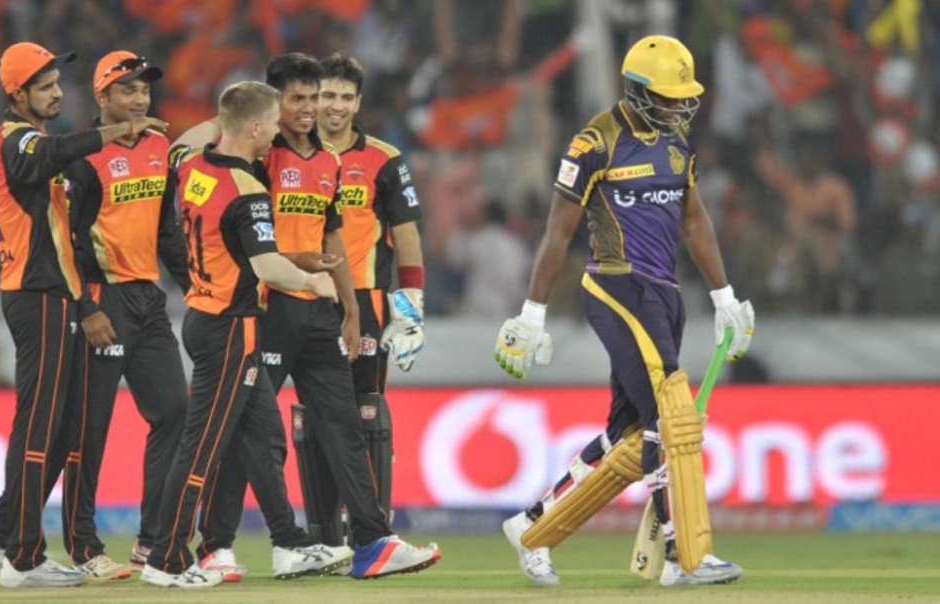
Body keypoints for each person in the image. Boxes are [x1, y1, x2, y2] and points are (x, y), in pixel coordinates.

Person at [493, 35, 755, 588]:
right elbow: (558, 230)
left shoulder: (678, 145)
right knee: (671, 413)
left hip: (663, 293)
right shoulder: (596, 142)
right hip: (615, 287)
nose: (680, 106)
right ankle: (686, 553)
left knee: (630, 435)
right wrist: (532, 314)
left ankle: (533, 527)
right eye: (667, 96)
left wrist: (725, 296)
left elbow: (694, 221)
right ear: (636, 91)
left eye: (684, 97)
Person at [196, 52, 441, 580]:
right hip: (266, 309)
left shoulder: (330, 163)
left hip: (321, 313)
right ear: (274, 104)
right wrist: (225, 119)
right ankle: (215, 545)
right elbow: (204, 164)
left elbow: (333, 241)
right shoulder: (258, 156)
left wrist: (351, 309)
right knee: (250, 432)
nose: (311, 108)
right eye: (301, 98)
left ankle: (372, 541)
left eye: (319, 97)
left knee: (345, 425)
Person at [0, 41, 168, 589]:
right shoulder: (15, 139)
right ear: (17, 93)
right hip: (36, 292)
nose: (56, 94)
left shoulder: (36, 138)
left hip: (56, 295)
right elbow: (47, 160)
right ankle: (23, 558)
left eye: (56, 84)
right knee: (42, 423)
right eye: (45, 87)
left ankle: (1, 531)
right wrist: (110, 134)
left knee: (63, 424)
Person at [140, 80, 350, 588]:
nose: (277, 131)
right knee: (202, 447)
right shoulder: (249, 190)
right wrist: (316, 282)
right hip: (230, 329)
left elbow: (181, 146)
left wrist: (226, 114)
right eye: (273, 123)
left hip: (202, 317)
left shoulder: (192, 168)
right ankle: (165, 559)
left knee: (264, 436)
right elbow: (268, 269)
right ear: (255, 128)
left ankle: (290, 544)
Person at [57, 50, 190, 580]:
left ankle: (152, 542)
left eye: (144, 90)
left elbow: (167, 232)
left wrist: (195, 286)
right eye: (128, 90)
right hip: (101, 299)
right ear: (102, 97)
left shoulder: (159, 145)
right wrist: (86, 308)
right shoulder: (81, 157)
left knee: (175, 413)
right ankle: (84, 548)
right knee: (89, 428)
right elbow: (65, 241)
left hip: (147, 298)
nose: (139, 99)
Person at [309, 52, 426, 536]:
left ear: (358, 103)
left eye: (344, 97)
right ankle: (320, 529)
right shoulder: (284, 150)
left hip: (369, 300)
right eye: (327, 95)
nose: (335, 106)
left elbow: (408, 233)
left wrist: (412, 305)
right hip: (306, 296)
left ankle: (370, 525)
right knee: (314, 415)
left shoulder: (384, 159)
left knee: (366, 412)